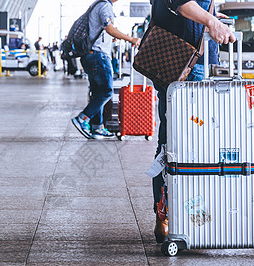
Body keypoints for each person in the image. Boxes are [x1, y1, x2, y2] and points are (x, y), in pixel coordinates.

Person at [149, 0, 236, 242]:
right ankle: (166, 214)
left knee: (197, 143)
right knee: (176, 142)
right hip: (178, 58)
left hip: (194, 56)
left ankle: (190, 216)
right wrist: (211, 21)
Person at [71, 0, 140, 140]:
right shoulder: (105, 5)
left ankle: (97, 128)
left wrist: (111, 37)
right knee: (106, 91)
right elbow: (109, 28)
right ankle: (82, 118)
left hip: (90, 55)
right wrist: (130, 39)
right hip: (98, 55)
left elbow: (101, 30)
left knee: (97, 92)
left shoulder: (96, 5)